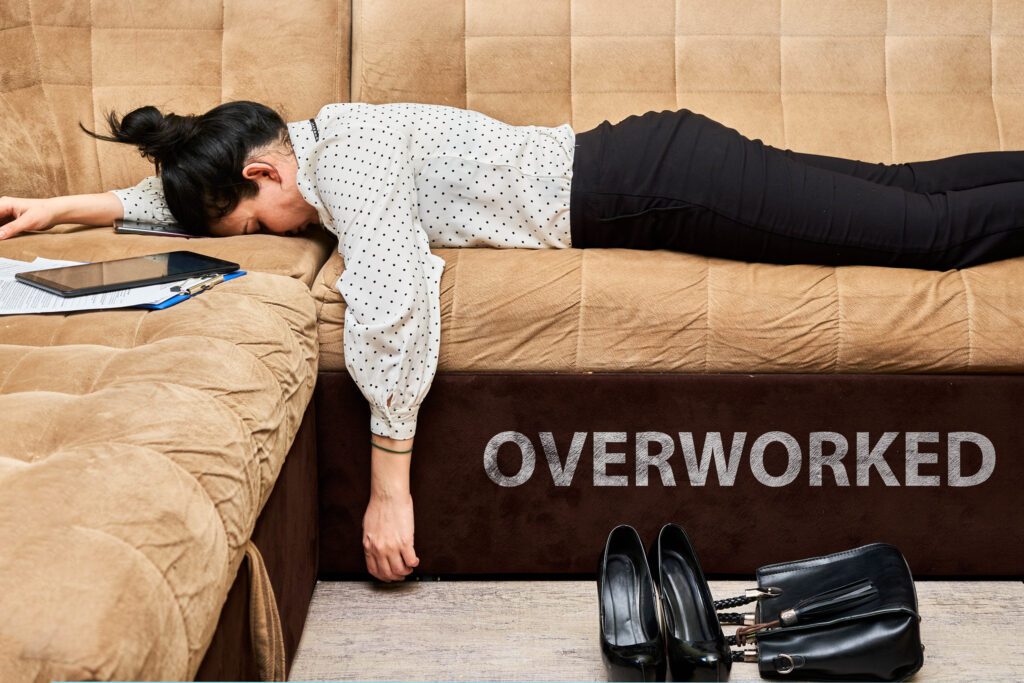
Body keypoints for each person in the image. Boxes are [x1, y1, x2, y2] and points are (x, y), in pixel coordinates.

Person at [5, 100, 1024, 581]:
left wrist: (390, 483)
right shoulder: (311, 146)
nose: (265, 237)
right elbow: (183, 196)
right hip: (652, 164)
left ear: (267, 176)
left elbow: (395, 298)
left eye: (248, 225)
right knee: (906, 191)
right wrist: (60, 210)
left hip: (657, 183)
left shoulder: (345, 170)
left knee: (922, 236)